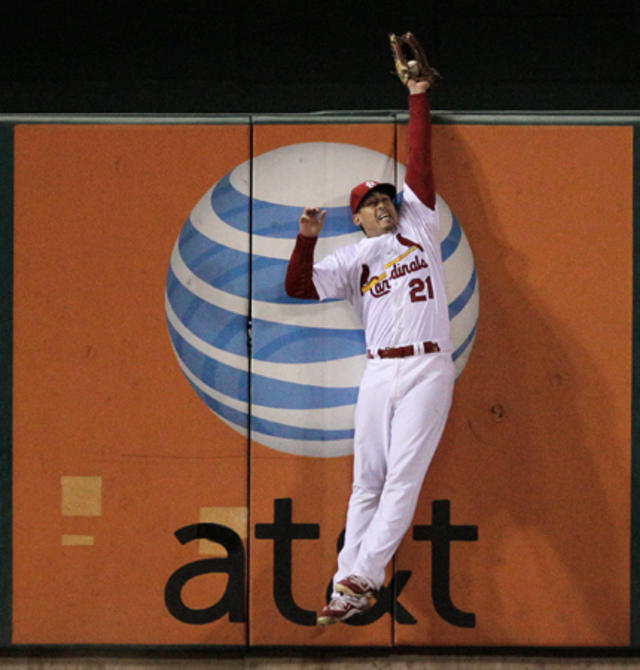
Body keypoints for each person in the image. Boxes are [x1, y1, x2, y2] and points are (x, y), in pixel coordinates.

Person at [284, 71, 455, 625]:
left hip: (428, 366)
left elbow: (420, 159)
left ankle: (364, 573)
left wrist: (418, 93)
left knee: (403, 476)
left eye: (386, 198)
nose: (382, 205)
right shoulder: (352, 259)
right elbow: (299, 287)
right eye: (370, 203)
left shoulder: (419, 226)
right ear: (356, 217)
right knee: (367, 484)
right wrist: (307, 238)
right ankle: (345, 586)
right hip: (379, 373)